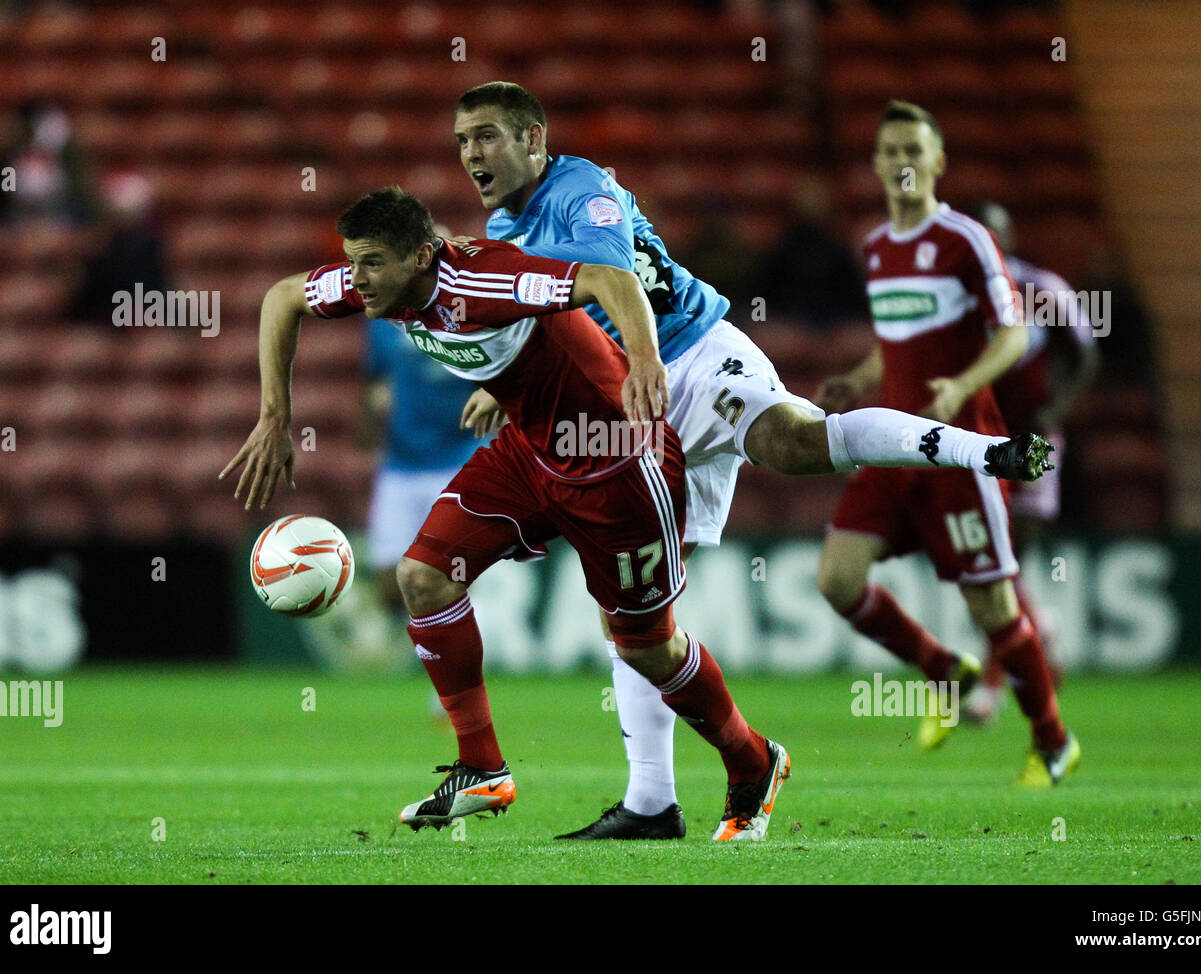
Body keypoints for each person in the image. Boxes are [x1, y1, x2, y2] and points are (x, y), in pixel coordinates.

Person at [450, 82, 1055, 838]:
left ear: (533, 138)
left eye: (487, 136)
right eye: (463, 141)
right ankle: (650, 804)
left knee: (795, 442)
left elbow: (609, 276)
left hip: (691, 358)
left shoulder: (582, 187)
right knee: (637, 624)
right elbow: (546, 316)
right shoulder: (504, 222)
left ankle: (982, 452)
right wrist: (506, 385)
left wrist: (585, 346)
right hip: (632, 407)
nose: (472, 153)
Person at [220, 186, 792, 841]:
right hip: (529, 450)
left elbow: (609, 279)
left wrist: (644, 363)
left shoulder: (488, 276)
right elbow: (282, 297)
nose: (358, 281)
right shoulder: (374, 286)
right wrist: (275, 418)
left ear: (423, 257)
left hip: (619, 461)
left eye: (373, 263)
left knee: (646, 646)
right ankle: (481, 767)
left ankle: (752, 760)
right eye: (353, 263)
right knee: (422, 576)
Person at [813, 101, 1079, 786]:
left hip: (964, 450)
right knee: (836, 579)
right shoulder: (876, 248)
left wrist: (961, 387)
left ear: (938, 162)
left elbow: (1014, 334)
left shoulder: (966, 240)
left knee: (994, 608)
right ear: (875, 164)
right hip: (894, 447)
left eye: (914, 150)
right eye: (890, 150)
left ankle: (1052, 740)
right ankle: (941, 669)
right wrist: (859, 378)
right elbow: (893, 342)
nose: (902, 162)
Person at [961, 201, 1100, 722]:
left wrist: (1055, 409)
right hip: (977, 441)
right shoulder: (956, 300)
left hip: (1035, 439)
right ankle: (1040, 632)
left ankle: (992, 688)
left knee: (1008, 554)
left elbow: (1086, 354)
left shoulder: (1043, 289)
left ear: (1010, 240)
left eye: (995, 237)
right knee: (991, 560)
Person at [358, 315, 480, 620]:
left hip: (458, 457)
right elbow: (377, 378)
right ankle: (424, 640)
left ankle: (448, 648)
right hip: (401, 462)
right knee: (390, 583)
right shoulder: (382, 320)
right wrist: (373, 408)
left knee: (448, 573)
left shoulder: (468, 311)